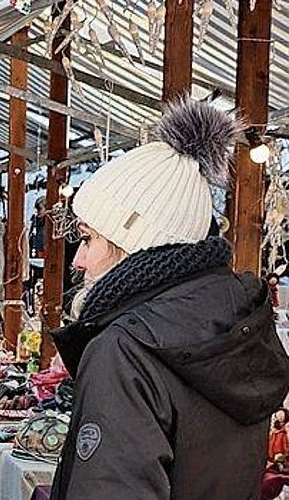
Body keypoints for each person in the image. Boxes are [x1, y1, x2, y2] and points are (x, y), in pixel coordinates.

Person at [50, 98, 289, 499]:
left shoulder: (125, 349)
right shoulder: (240, 324)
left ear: (133, 241)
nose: (78, 259)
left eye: (88, 238)